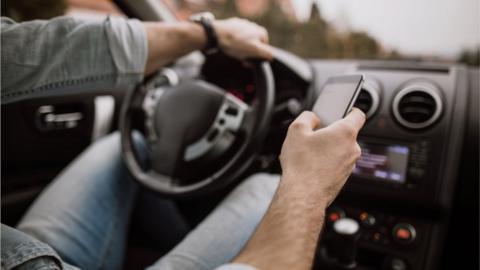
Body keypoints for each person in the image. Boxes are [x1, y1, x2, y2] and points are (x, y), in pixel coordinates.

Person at [1, 14, 365, 270]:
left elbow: (17, 50)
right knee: (267, 186)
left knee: (127, 147)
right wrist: (307, 189)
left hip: (24, 254)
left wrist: (207, 34)